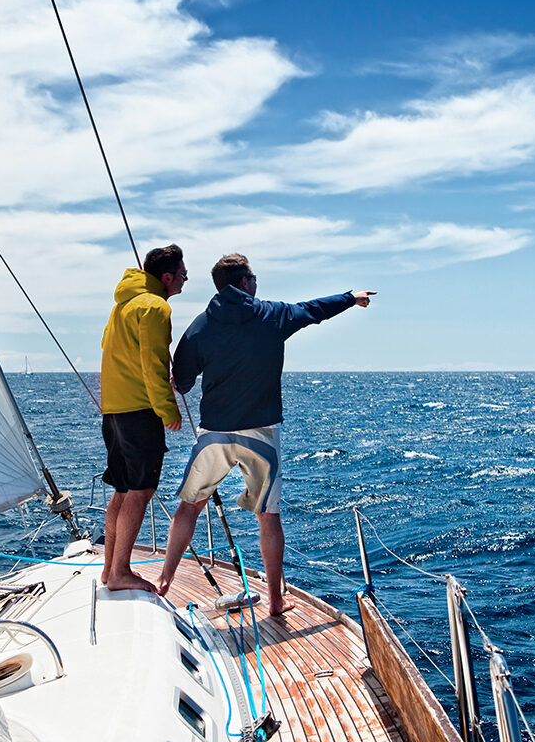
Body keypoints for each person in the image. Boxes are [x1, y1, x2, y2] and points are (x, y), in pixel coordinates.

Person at [157, 253, 374, 613]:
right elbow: (313, 309)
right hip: (260, 434)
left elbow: (181, 382)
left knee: (189, 509)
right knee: (267, 516)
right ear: (243, 282)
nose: (256, 284)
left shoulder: (199, 327)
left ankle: (165, 580)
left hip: (214, 433)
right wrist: (351, 297)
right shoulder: (272, 315)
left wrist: (176, 377)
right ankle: (275, 599)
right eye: (253, 278)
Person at [100, 244, 187, 592]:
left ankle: (110, 569)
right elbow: (154, 366)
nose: (184, 279)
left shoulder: (122, 306)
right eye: (182, 274)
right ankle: (120, 571)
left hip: (114, 412)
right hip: (140, 412)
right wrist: (168, 410)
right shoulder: (155, 307)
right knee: (141, 490)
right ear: (166, 277)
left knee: (122, 490)